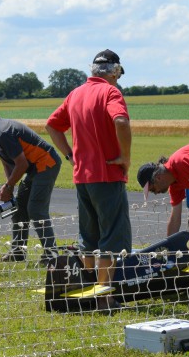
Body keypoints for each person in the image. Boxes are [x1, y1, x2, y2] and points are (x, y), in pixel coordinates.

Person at [46, 49, 132, 291]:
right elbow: (121, 121)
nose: (118, 80)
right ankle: (104, 294)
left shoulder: (75, 94)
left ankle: (86, 286)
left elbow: (52, 125)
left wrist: (69, 155)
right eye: (118, 75)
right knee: (112, 236)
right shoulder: (111, 92)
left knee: (88, 236)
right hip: (107, 175)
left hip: (82, 177)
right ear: (114, 72)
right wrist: (125, 157)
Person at [0, 103, 61, 262]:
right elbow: (8, 163)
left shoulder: (4, 133)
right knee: (18, 209)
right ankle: (17, 252)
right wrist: (9, 188)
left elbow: (21, 164)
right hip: (33, 168)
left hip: (46, 163)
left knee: (36, 209)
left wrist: (8, 187)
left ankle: (51, 254)